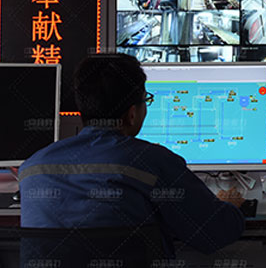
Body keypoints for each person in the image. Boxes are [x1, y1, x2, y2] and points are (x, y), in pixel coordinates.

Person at [19, 54, 245, 255]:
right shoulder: (152, 162)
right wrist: (229, 206)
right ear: (132, 114)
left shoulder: (32, 168)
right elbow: (214, 233)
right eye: (146, 100)